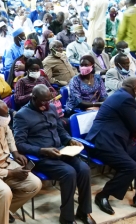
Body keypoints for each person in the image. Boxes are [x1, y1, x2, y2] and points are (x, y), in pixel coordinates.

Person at [14, 84, 95, 224]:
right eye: (43, 101)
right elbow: (19, 144)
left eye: (49, 101)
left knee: (84, 169)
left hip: (61, 150)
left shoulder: (51, 108)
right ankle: (66, 218)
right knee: (69, 173)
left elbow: (60, 130)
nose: (47, 105)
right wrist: (41, 150)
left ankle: (84, 211)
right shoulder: (22, 115)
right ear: (34, 98)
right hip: (42, 157)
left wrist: (69, 140)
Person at [86, 77, 136, 215]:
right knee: (130, 167)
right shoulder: (126, 99)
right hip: (104, 143)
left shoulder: (120, 95)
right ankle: (103, 195)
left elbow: (129, 123)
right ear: (135, 88)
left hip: (117, 140)